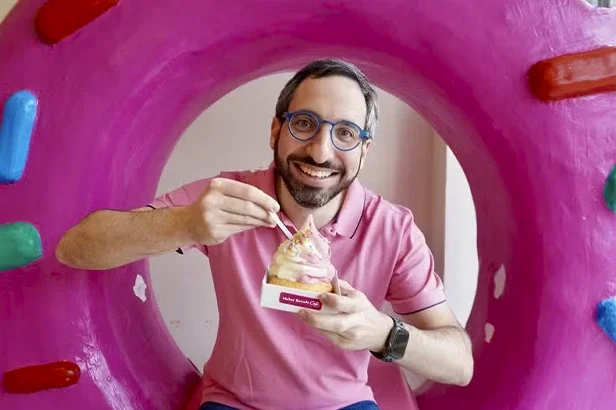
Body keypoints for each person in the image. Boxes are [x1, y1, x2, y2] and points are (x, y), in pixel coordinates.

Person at [55, 58, 473, 410]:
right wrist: (184, 223)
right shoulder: (227, 196)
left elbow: (460, 363)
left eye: (346, 133)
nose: (321, 151)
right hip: (234, 402)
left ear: (364, 150)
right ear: (276, 130)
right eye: (305, 123)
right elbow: (76, 248)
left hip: (344, 404)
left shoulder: (393, 229)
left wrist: (382, 332)